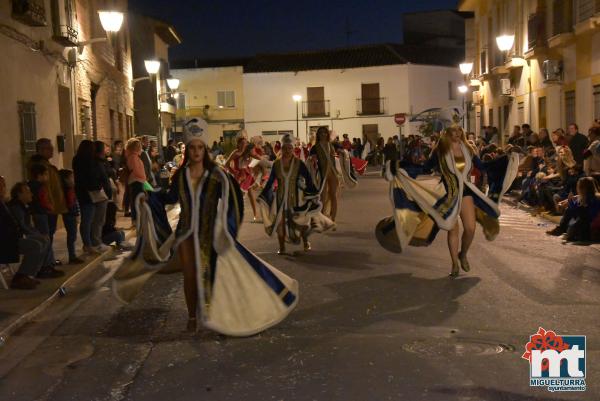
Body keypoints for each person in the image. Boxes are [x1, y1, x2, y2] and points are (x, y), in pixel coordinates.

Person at [113, 123, 299, 336]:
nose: (196, 152)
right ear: (188, 150)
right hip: (185, 232)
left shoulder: (217, 175)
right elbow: (170, 197)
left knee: (212, 274)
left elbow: (234, 201)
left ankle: (216, 316)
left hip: (210, 233)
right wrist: (150, 197)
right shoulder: (181, 175)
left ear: (205, 149)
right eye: (192, 148)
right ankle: (193, 317)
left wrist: (228, 229)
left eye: (200, 147)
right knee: (190, 276)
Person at [377, 126, 519, 277]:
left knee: (470, 228)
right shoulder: (440, 151)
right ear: (447, 135)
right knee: (452, 227)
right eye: (453, 132)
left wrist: (505, 159)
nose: (457, 135)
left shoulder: (469, 149)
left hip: (466, 192)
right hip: (448, 194)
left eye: (459, 132)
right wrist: (399, 167)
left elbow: (483, 167)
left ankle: (462, 254)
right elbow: (425, 169)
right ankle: (454, 263)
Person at [258, 135, 333, 254]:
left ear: (293, 149)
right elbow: (271, 181)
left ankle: (305, 242)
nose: (287, 151)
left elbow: (308, 179)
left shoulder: (299, 163)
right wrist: (262, 195)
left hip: (297, 197)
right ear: (281, 149)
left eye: (289, 148)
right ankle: (282, 247)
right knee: (280, 222)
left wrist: (312, 193)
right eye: (284, 148)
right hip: (280, 198)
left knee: (299, 222)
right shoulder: (276, 164)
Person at [7, 181, 63, 282]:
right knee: (36, 244)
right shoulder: (16, 207)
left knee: (44, 239)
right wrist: (37, 235)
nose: (31, 194)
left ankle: (38, 270)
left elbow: (28, 226)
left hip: (18, 236)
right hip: (12, 240)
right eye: (28, 192)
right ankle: (22, 275)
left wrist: (38, 234)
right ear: (19, 194)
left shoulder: (23, 206)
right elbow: (22, 226)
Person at [27, 138, 67, 266]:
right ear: (41, 150)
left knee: (50, 234)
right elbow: (44, 188)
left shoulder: (47, 165)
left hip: (51, 205)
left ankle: (49, 260)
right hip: (45, 206)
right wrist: (49, 204)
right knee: (46, 235)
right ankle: (46, 264)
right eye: (49, 148)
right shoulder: (38, 166)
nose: (52, 150)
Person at [308, 127, 357, 223]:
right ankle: (322, 218)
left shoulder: (333, 145)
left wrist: (343, 152)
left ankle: (333, 218)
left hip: (333, 173)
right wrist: (312, 159)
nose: (323, 134)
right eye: (321, 133)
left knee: (333, 195)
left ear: (327, 134)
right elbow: (312, 158)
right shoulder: (315, 147)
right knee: (322, 196)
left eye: (325, 133)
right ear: (318, 135)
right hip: (322, 174)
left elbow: (343, 151)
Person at [546, 177, 600, 242]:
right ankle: (562, 229)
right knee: (570, 210)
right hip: (584, 219)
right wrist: (569, 202)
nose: (577, 188)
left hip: (591, 222)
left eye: (578, 186)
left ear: (584, 188)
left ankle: (562, 229)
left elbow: (588, 214)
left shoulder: (593, 198)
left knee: (571, 210)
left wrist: (571, 203)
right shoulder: (583, 196)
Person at [59, 169, 83, 264]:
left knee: (72, 236)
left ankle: (72, 255)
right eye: (71, 177)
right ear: (66, 179)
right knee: (72, 236)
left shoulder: (70, 189)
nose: (73, 179)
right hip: (70, 215)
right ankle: (72, 256)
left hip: (71, 214)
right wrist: (76, 214)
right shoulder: (68, 190)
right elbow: (71, 204)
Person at [125, 138, 148, 222]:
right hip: (136, 181)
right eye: (139, 146)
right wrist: (144, 178)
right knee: (136, 201)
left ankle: (138, 218)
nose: (140, 147)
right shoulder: (133, 157)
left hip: (138, 181)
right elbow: (136, 170)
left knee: (137, 200)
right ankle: (136, 219)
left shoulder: (134, 156)